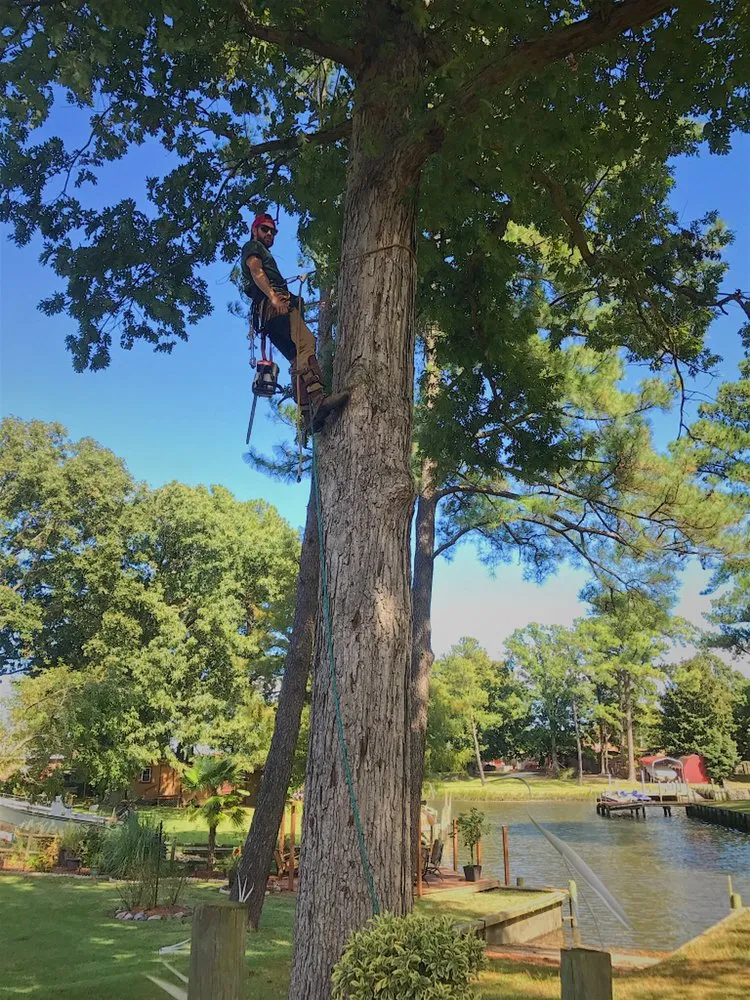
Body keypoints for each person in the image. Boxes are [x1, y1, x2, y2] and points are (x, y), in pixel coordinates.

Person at [240, 213, 348, 432]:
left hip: (270, 318)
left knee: (297, 358)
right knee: (306, 343)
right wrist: (273, 297)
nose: (269, 233)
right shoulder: (253, 247)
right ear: (255, 230)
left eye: (272, 231)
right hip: (276, 309)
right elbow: (256, 270)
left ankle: (308, 414)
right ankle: (318, 398)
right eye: (264, 229)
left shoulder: (262, 250)